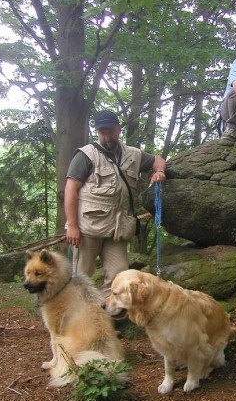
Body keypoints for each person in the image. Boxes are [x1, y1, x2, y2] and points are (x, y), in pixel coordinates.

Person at [65, 110, 166, 296]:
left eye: (110, 131)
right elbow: (71, 189)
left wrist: (159, 171)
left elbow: (158, 160)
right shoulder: (86, 155)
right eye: (102, 132)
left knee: (119, 277)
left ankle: (105, 318)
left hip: (118, 230)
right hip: (89, 228)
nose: (106, 136)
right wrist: (72, 225)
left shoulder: (134, 155)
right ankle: (75, 319)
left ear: (119, 129)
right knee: (80, 277)